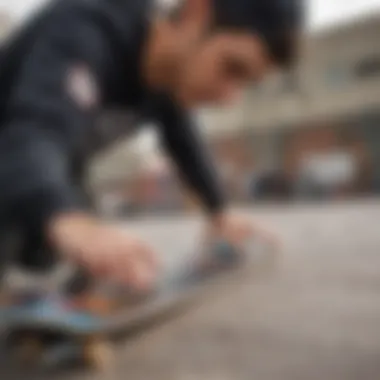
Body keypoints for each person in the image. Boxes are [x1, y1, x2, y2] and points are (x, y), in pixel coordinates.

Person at [0, 0, 303, 291]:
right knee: (49, 215)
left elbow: (184, 139)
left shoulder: (165, 77)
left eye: (244, 84)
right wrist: (68, 219)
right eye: (232, 68)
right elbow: (34, 133)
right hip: (14, 152)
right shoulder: (89, 28)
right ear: (197, 11)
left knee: (74, 247)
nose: (228, 98)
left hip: (48, 165)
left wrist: (220, 211)